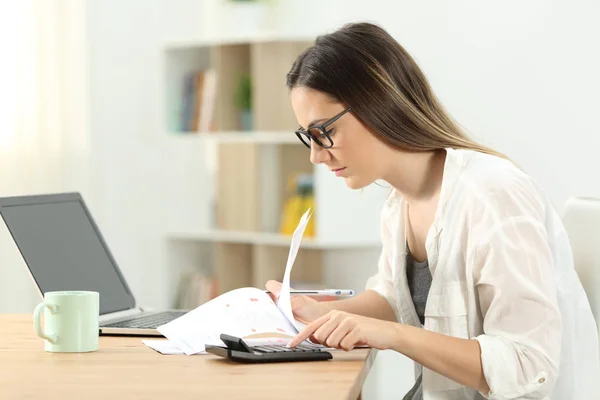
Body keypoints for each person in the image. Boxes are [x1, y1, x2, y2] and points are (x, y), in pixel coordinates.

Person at [265, 22, 599, 399]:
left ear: (378, 102)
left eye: (323, 131)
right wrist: (316, 312)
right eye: (307, 136)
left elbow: (529, 363)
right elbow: (395, 298)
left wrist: (393, 336)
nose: (315, 155)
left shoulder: (493, 195)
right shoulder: (399, 204)